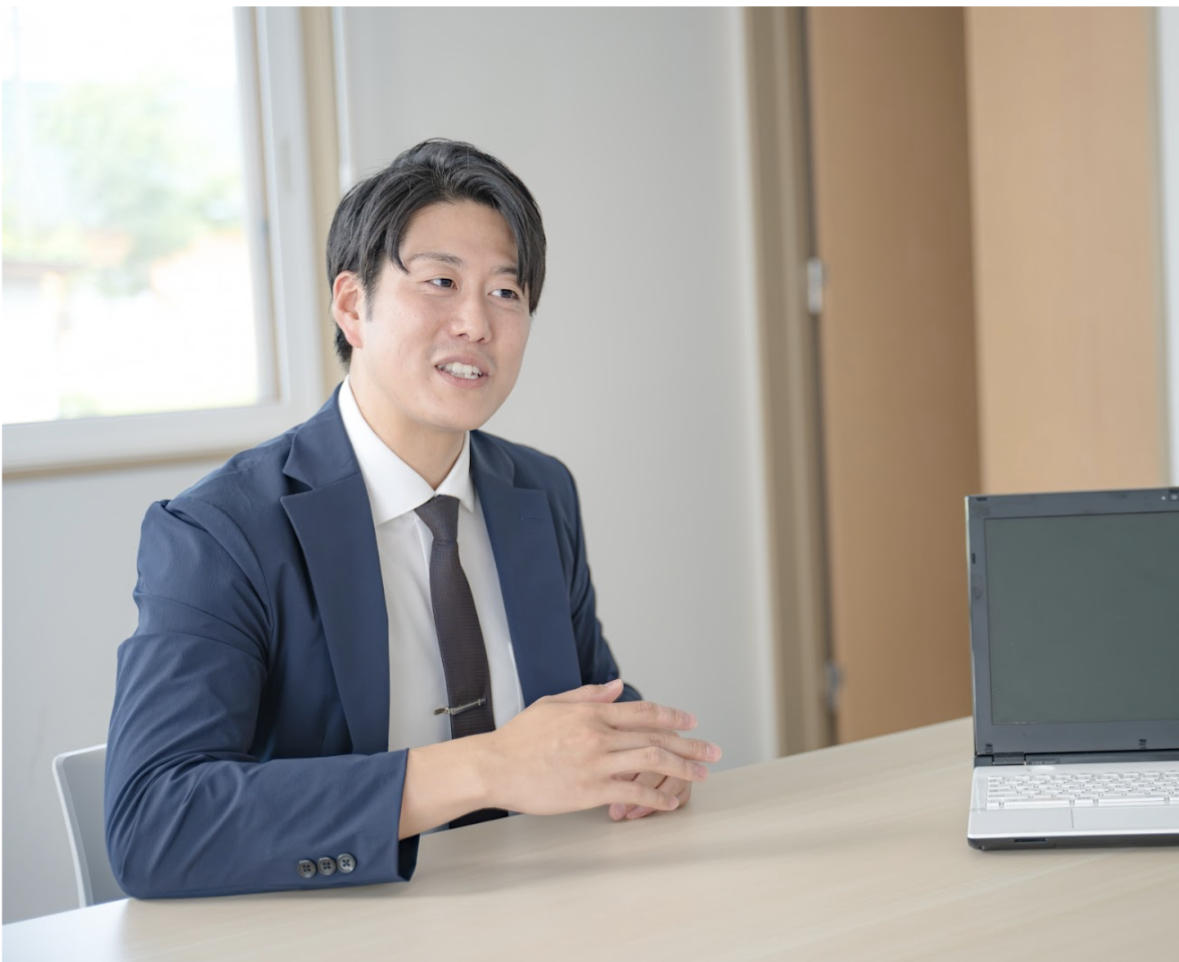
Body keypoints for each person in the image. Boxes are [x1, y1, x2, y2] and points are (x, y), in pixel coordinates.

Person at [104, 139, 720, 898]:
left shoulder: (540, 491)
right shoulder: (221, 531)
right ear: (352, 306)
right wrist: (488, 767)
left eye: (506, 291)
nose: (477, 323)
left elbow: (585, 705)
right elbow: (155, 823)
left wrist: (638, 760)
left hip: (542, 903)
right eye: (441, 282)